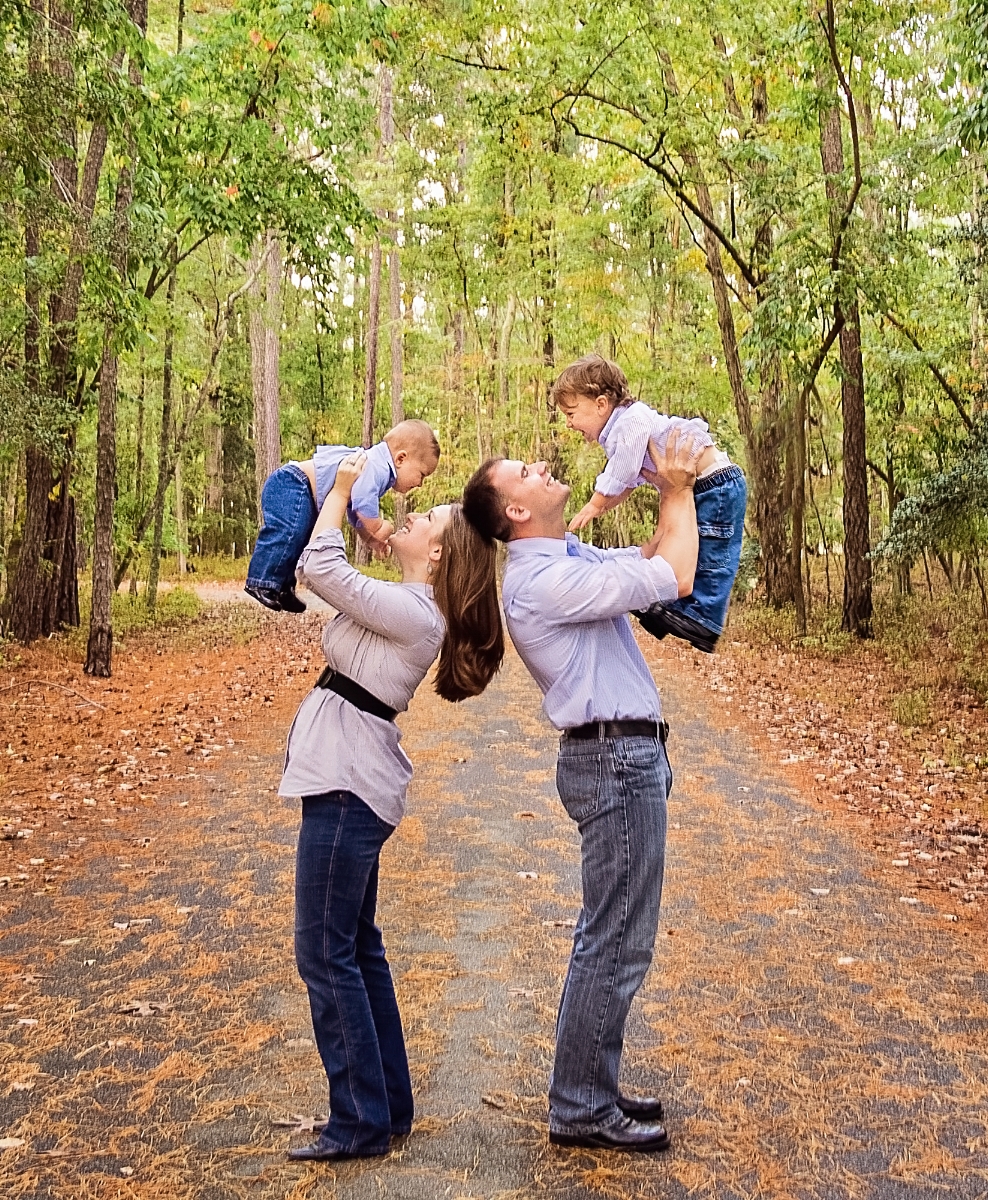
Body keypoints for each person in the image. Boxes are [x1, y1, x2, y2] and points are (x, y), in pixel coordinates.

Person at [461, 432, 699, 1154]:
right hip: (614, 761)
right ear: (516, 509)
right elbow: (676, 577)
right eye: (524, 471)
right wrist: (681, 490)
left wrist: (665, 491)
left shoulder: (565, 559)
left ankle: (590, 1087)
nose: (539, 466)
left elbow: (654, 556)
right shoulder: (541, 582)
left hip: (624, 756)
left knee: (614, 936)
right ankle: (580, 1106)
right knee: (614, 942)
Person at [280, 451, 503, 1162]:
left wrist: (343, 489)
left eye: (428, 516)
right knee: (355, 947)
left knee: (324, 952)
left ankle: (357, 1122)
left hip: (348, 786)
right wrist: (356, 519)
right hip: (347, 778)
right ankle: (387, 1105)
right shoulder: (408, 604)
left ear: (436, 554)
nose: (414, 511)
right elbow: (331, 577)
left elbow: (318, 572)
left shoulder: (415, 611)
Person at [556, 354, 746, 653]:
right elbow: (629, 481)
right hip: (701, 484)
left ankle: (702, 619)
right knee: (688, 548)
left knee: (711, 553)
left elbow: (623, 471)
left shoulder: (630, 422)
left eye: (571, 413)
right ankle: (676, 608)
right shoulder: (622, 429)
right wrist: (604, 505)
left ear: (601, 404)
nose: (569, 423)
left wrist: (596, 503)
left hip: (715, 482)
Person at [245, 420, 441, 613]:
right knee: (289, 533)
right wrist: (378, 527)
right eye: (422, 474)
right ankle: (261, 581)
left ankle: (282, 588)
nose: (420, 483)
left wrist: (369, 538)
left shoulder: (378, 469)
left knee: (299, 539)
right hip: (293, 483)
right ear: (401, 459)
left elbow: (355, 511)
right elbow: (363, 503)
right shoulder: (376, 467)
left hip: (302, 491)